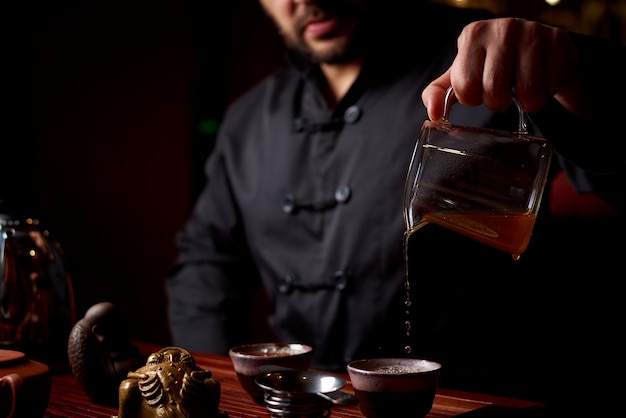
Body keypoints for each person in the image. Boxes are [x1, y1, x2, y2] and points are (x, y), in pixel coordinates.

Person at [166, 0, 625, 415]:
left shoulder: (488, 64)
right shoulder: (248, 118)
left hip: (465, 405)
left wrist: (577, 75)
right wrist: (213, 390)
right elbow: (206, 265)